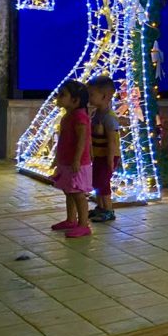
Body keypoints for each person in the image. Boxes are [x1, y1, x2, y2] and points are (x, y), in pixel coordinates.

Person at [49, 80, 93, 238]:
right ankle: (71, 219)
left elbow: (82, 141)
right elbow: (63, 140)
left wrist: (77, 160)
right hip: (67, 161)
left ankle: (83, 224)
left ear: (75, 100)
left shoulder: (80, 117)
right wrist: (57, 158)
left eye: (63, 95)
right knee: (69, 191)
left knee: (78, 194)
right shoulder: (68, 116)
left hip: (77, 164)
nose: (58, 98)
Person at [87, 75, 121, 223]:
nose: (89, 97)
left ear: (105, 96)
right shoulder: (96, 114)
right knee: (97, 182)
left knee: (103, 182)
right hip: (98, 155)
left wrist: (110, 159)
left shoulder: (109, 117)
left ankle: (108, 209)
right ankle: (100, 207)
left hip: (107, 156)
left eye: (92, 94)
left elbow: (112, 140)